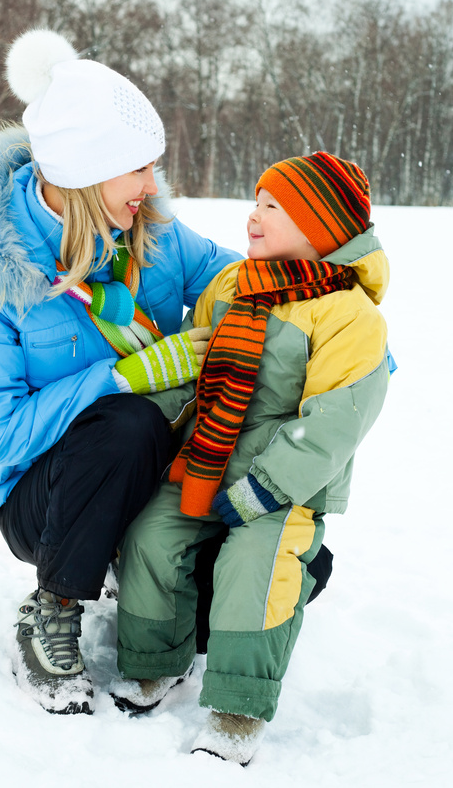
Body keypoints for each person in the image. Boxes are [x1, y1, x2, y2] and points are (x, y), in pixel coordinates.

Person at [0, 28, 243, 716]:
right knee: (127, 421)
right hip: (41, 501)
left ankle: (149, 575)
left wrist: (332, 314)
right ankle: (54, 605)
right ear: (83, 170)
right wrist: (117, 378)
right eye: (137, 168)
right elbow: (4, 435)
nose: (152, 186)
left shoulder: (150, 233)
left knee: (270, 587)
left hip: (155, 466)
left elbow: (232, 275)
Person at [110, 152, 391, 765]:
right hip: (204, 463)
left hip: (281, 486)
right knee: (151, 536)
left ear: (320, 225)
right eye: (256, 201)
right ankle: (154, 662)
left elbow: (334, 425)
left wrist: (266, 488)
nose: (253, 217)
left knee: (256, 567)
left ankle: (238, 705)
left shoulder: (348, 316)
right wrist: (150, 431)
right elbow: (195, 370)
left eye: (272, 206)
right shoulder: (234, 285)